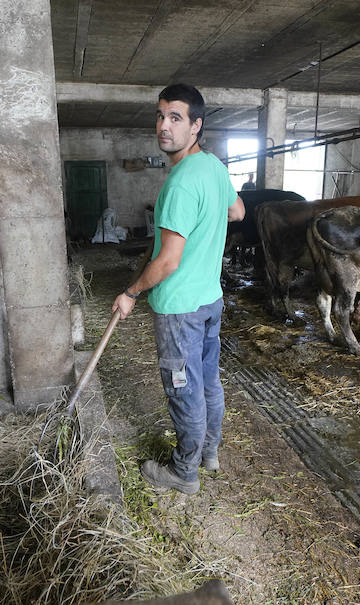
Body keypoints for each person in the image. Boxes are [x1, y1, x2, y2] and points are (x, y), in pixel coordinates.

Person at [112, 83, 245, 495]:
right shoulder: (213, 167)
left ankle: (184, 472)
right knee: (207, 380)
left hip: (179, 308)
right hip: (210, 299)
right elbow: (237, 211)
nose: (164, 126)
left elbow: (167, 260)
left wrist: (132, 292)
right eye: (160, 116)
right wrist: (209, 204)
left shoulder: (179, 185)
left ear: (196, 125)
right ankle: (209, 452)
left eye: (175, 118)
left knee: (182, 388)